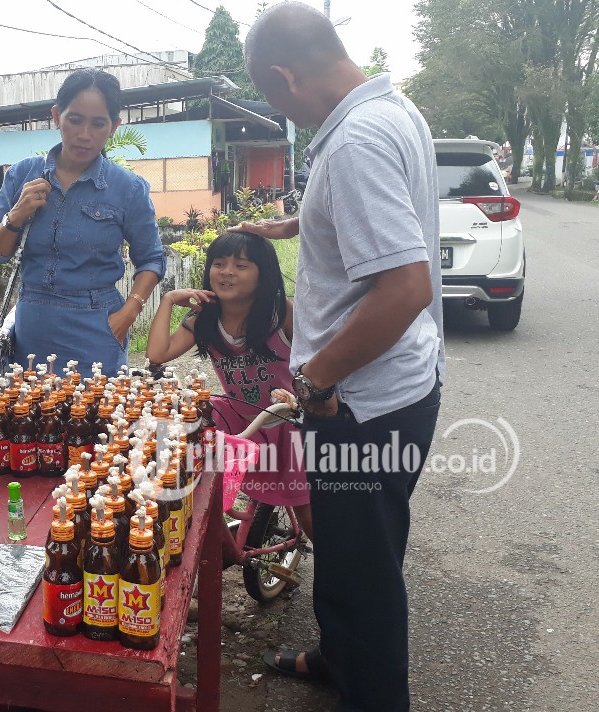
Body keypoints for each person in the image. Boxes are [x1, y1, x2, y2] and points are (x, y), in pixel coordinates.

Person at [237, 4, 444, 710]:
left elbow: (405, 287)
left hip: (362, 400)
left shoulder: (355, 139)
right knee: (353, 555)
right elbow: (378, 215)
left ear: (283, 75)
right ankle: (339, 655)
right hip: (393, 387)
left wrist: (316, 376)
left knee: (363, 572)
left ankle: (374, 693)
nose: (281, 111)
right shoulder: (389, 109)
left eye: (272, 98)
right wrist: (298, 222)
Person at [0, 68, 166, 377]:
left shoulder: (129, 189)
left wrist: (129, 312)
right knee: (35, 417)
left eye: (98, 123)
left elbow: (152, 259)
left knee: (96, 419)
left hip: (99, 325)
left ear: (114, 126)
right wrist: (17, 214)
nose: (84, 134)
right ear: (56, 116)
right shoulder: (21, 175)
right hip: (33, 325)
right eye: (75, 120)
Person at [145, 232, 313, 558]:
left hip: (287, 419)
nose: (227, 272)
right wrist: (167, 300)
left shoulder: (284, 314)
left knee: (305, 508)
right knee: (190, 455)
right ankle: (208, 546)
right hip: (240, 412)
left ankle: (336, 570)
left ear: (262, 273)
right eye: (219, 264)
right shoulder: (205, 319)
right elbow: (157, 352)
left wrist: (300, 395)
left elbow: (316, 363)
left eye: (241, 265)